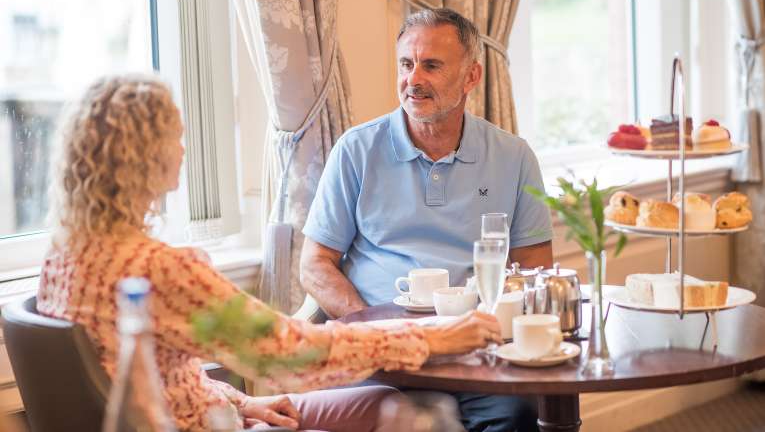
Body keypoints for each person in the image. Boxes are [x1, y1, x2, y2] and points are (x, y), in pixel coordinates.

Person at [36, 74, 502, 432]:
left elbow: (157, 373)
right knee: (420, 415)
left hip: (213, 415)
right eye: (174, 137)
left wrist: (241, 401)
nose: (183, 149)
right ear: (144, 157)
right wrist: (431, 338)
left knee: (384, 401)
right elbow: (288, 353)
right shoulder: (158, 269)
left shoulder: (62, 260)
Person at [301, 8, 553, 432]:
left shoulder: (514, 156)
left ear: (471, 77)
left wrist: (494, 327)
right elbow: (314, 264)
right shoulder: (356, 150)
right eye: (406, 63)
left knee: (520, 414)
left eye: (431, 65)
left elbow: (535, 265)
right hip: (380, 354)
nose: (413, 79)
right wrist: (378, 331)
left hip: (474, 352)